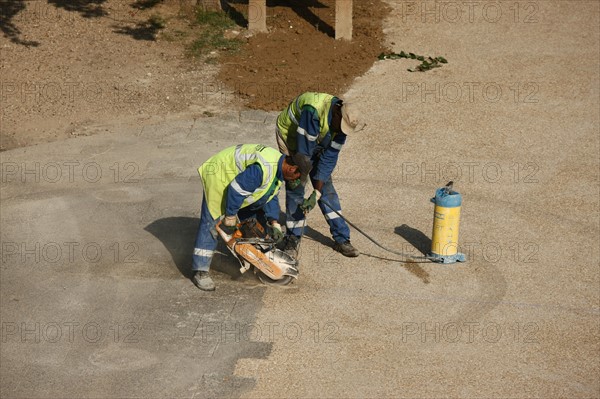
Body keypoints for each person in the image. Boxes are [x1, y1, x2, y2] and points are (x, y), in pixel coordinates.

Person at [192, 144, 301, 291]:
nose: (295, 181)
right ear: (292, 168)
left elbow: (269, 196)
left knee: (253, 220)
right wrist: (230, 215)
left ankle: (251, 254)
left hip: (239, 183)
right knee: (211, 223)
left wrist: (274, 222)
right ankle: (200, 270)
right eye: (296, 177)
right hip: (220, 175)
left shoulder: (278, 169)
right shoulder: (263, 168)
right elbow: (236, 189)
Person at [275, 92, 364, 258]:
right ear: (337, 112)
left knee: (326, 188)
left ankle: (341, 239)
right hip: (293, 139)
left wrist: (317, 192)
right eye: (341, 126)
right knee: (296, 187)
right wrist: (303, 178)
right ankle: (292, 239)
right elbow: (303, 155)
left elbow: (329, 158)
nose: (342, 131)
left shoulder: (341, 125)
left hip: (315, 141)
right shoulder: (313, 111)